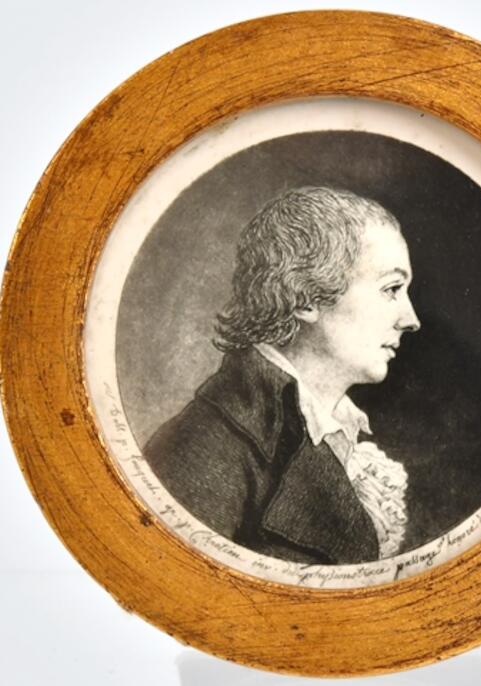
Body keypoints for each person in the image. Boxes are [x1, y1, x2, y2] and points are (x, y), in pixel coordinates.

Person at [144, 186, 420, 564]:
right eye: (391, 289)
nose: (411, 319)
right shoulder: (202, 448)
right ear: (307, 297)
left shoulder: (338, 436)